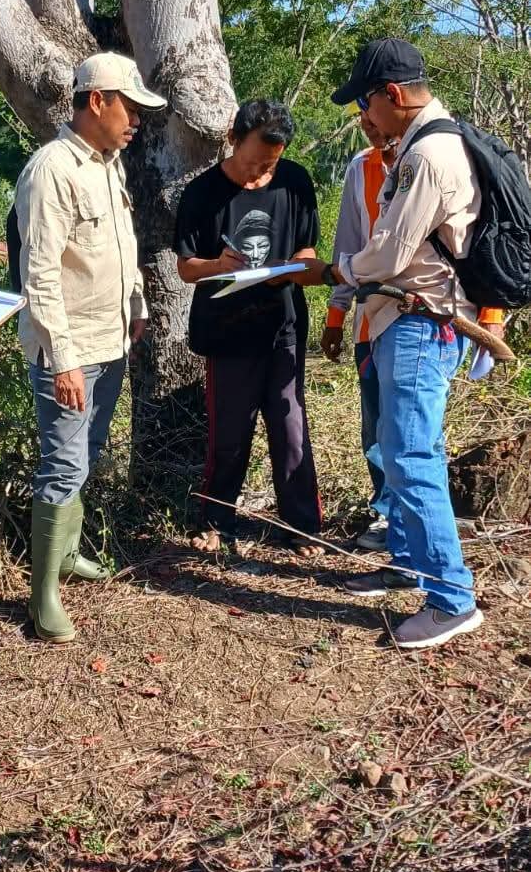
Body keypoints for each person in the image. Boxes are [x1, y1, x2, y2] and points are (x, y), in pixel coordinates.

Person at [288, 37, 504, 651]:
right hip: (403, 319)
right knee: (401, 446)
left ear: (396, 95)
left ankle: (450, 597)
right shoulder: (420, 147)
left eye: (368, 102)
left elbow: (389, 251)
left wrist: (333, 274)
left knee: (411, 456)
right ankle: (408, 563)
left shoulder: (429, 157)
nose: (365, 116)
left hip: (417, 320)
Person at [14, 53, 165, 643]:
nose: (136, 122)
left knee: (88, 451)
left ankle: (68, 553)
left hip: (109, 340)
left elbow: (120, 246)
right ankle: (42, 594)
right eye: (130, 108)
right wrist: (63, 358)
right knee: (64, 463)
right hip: (70, 349)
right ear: (98, 100)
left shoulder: (107, 164)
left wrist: (138, 309)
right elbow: (41, 274)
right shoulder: (52, 169)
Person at [174, 99, 321, 551]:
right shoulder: (202, 192)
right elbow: (185, 267)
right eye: (255, 160)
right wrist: (218, 264)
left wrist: (296, 266)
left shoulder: (295, 182)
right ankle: (215, 522)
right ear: (233, 139)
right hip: (227, 329)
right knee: (230, 432)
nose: (261, 172)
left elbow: (307, 251)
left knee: (290, 426)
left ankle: (302, 526)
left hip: (283, 324)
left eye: (270, 164)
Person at [321, 110, 398, 552]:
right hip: (370, 322)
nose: (370, 127)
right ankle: (386, 511)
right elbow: (347, 246)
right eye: (362, 120)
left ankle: (411, 517)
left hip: (418, 322)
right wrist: (336, 315)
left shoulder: (428, 160)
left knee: (411, 429)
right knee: (375, 428)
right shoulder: (360, 169)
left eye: (375, 117)